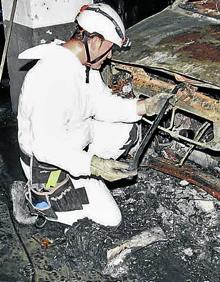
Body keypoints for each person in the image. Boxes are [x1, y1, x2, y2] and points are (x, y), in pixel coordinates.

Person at [12, 3, 170, 227]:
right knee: (111, 219)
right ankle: (32, 198)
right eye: (110, 48)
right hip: (47, 165)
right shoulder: (50, 78)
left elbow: (99, 102)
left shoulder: (82, 66)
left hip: (75, 139)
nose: (110, 55)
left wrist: (143, 106)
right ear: (95, 41)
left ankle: (86, 177)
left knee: (127, 130)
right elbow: (46, 147)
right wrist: (94, 165)